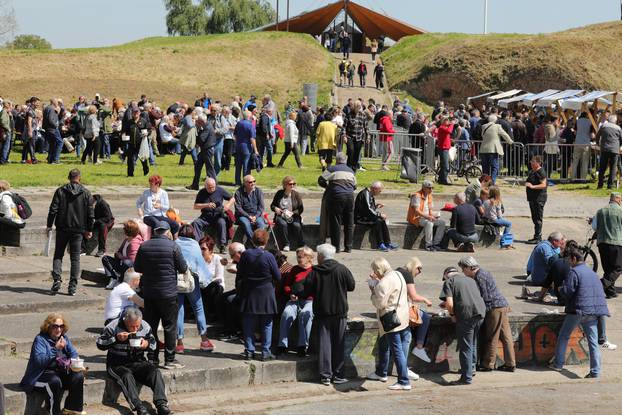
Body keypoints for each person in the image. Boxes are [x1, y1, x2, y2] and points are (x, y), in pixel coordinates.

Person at [97, 307, 172, 415]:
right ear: (125, 320)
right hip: (116, 364)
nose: (135, 329)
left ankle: (161, 404)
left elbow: (154, 344)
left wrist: (146, 344)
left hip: (138, 362)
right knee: (126, 375)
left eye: (137, 326)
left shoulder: (145, 326)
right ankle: (138, 406)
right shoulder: (113, 326)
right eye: (132, 326)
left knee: (155, 372)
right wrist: (115, 338)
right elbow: (100, 344)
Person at [133, 221, 188, 369]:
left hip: (150, 293)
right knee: (169, 326)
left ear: (155, 231)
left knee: (150, 326)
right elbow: (183, 268)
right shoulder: (173, 246)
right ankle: (169, 359)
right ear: (167, 231)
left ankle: (152, 357)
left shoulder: (144, 246)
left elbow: (137, 267)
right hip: (169, 293)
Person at [550, 247, 609, 378]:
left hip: (579, 310)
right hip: (594, 311)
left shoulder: (574, 272)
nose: (568, 263)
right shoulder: (593, 273)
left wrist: (560, 289)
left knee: (564, 335)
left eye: (569, 260)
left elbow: (568, 291)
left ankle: (558, 364)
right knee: (593, 342)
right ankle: (595, 371)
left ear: (574, 259)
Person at [304, 244, 356, 386]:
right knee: (339, 344)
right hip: (339, 313)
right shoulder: (342, 269)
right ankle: (338, 374)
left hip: (322, 313)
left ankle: (325, 375)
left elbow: (306, 289)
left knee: (324, 344)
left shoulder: (314, 271)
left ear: (321, 256)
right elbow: (351, 286)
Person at [20, 313, 85, 415]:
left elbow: (73, 353)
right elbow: (39, 361)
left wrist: (76, 362)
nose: (58, 329)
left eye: (61, 326)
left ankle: (72, 409)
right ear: (48, 327)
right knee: (54, 382)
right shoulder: (40, 339)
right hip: (39, 376)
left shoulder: (64, 338)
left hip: (58, 373)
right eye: (55, 326)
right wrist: (56, 349)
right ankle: (53, 412)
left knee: (78, 375)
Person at [459, 257, 515, 372]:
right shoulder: (483, 273)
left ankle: (488, 364)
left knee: (492, 336)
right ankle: (510, 363)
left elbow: (485, 297)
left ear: (469, 267)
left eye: (463, 269)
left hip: (494, 308)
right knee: (506, 337)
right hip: (501, 305)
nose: (463, 273)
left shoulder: (480, 276)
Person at [366, 258, 411, 391]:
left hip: (390, 320)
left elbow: (380, 304)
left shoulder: (383, 283)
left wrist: (373, 290)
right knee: (385, 343)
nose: (374, 273)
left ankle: (403, 381)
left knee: (397, 351)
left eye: (375, 270)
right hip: (402, 316)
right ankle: (381, 372)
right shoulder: (398, 274)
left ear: (379, 269)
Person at [47, 169, 94, 296]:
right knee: (75, 258)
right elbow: (90, 214)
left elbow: (53, 209)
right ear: (79, 178)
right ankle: (72, 286)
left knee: (58, 254)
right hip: (78, 229)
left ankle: (57, 279)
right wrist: (89, 229)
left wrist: (49, 225)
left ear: (69, 177)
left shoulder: (60, 191)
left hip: (62, 227)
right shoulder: (86, 193)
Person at [236, 229, 281, 360]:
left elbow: (240, 273)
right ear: (266, 241)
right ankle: (265, 351)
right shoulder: (269, 256)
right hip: (266, 293)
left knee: (248, 322)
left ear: (253, 240)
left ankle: (249, 350)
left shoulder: (246, 255)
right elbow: (278, 276)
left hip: (249, 292)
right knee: (267, 323)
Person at [439, 267, 486, 385]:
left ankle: (466, 378)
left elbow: (449, 303)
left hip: (467, 316)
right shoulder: (470, 280)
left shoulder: (449, 282)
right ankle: (471, 368)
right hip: (480, 313)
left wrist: (452, 314)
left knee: (465, 347)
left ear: (446, 275)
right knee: (472, 343)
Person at [175, 224, 215, 353]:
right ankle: (204, 340)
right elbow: (200, 265)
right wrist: (206, 280)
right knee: (198, 308)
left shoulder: (175, 244)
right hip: (192, 282)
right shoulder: (195, 246)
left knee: (179, 311)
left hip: (176, 282)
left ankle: (179, 343)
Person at [277, 246, 314, 357]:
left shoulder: (314, 271)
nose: (298, 259)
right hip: (294, 300)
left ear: (309, 258)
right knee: (287, 313)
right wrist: (290, 294)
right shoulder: (295, 269)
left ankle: (303, 346)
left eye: (301, 257)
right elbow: (287, 285)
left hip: (309, 300)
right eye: (297, 256)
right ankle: (282, 345)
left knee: (305, 315)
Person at [396, 258, 432, 367]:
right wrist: (426, 300)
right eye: (419, 269)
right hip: (400, 309)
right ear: (414, 266)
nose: (420, 272)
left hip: (393, 307)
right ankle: (419, 347)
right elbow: (414, 296)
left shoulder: (397, 271)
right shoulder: (407, 275)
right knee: (425, 317)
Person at [319, 152, 356, 253]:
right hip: (350, 197)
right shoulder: (351, 171)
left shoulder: (331, 169)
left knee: (336, 222)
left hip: (336, 197)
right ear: (345, 160)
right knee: (349, 222)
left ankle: (336, 247)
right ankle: (348, 247)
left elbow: (320, 180)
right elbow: (354, 186)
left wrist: (328, 187)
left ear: (336, 160)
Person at [591, 192, 622, 298]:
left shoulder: (600, 211)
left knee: (608, 268)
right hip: (616, 243)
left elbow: (594, 226)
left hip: (602, 243)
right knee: (617, 268)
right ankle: (600, 285)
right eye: (621, 200)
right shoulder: (621, 211)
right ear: (618, 200)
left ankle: (610, 292)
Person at [191, 178, 234, 253]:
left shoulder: (220, 190)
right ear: (205, 186)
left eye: (213, 187)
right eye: (209, 187)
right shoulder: (202, 192)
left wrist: (227, 205)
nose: (212, 189)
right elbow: (195, 206)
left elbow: (232, 198)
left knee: (222, 222)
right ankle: (198, 244)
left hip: (218, 216)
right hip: (205, 217)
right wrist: (206, 205)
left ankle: (222, 245)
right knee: (196, 223)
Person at [354, 181, 398, 251]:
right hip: (360, 218)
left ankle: (387, 243)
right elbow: (368, 209)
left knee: (382, 220)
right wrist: (379, 214)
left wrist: (376, 206)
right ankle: (380, 244)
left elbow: (370, 209)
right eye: (379, 191)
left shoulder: (370, 194)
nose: (380, 193)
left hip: (366, 217)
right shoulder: (365, 193)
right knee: (378, 221)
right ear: (374, 189)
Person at [102, 220, 144, 290]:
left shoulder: (134, 242)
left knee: (126, 262)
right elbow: (119, 251)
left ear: (128, 231)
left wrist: (120, 257)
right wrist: (118, 255)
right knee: (105, 258)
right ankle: (114, 278)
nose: (123, 230)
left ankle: (121, 280)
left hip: (130, 268)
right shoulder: (127, 239)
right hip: (122, 264)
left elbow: (132, 260)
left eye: (124, 228)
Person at [407, 180, 446, 251]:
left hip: (427, 216)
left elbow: (430, 209)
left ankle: (436, 243)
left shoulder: (430, 196)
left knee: (442, 223)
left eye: (432, 188)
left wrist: (434, 216)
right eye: (429, 188)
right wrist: (428, 217)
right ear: (424, 188)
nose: (431, 190)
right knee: (429, 223)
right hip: (417, 218)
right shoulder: (417, 196)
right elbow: (417, 211)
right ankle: (429, 245)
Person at [270, 176, 305, 252]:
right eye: (290, 184)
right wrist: (276, 209)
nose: (292, 185)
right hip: (281, 216)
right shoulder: (279, 194)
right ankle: (286, 244)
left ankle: (301, 244)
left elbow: (301, 209)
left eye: (293, 184)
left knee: (297, 225)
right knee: (283, 224)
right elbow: (272, 205)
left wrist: (292, 213)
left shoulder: (296, 194)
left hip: (293, 216)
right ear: (285, 185)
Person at [199, 235, 226, 322]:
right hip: (202, 286)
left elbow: (219, 277)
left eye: (203, 249)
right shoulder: (198, 259)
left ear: (210, 250)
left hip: (214, 285)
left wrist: (207, 282)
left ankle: (213, 314)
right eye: (200, 248)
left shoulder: (218, 259)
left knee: (215, 287)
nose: (201, 251)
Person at [479, 114, 513, 184]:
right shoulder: (497, 126)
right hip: (493, 149)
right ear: (496, 120)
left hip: (483, 149)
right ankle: (492, 182)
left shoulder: (483, 126)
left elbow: (482, 136)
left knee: (485, 168)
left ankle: (485, 182)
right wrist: (510, 142)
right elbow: (505, 135)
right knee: (495, 167)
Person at [234, 175, 267, 244]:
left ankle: (260, 242)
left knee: (262, 224)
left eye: (254, 181)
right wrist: (248, 216)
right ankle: (254, 242)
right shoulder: (238, 192)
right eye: (250, 182)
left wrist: (256, 216)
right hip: (243, 215)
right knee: (246, 224)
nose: (253, 183)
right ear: (245, 183)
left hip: (256, 215)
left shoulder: (258, 191)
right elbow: (238, 208)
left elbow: (261, 207)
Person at [525, 155, 548, 244]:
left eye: (533, 161)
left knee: (538, 218)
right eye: (531, 161)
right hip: (532, 198)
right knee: (534, 218)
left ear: (538, 163)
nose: (531, 163)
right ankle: (536, 236)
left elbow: (543, 185)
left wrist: (532, 186)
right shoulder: (533, 171)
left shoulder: (541, 172)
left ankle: (538, 237)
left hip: (539, 199)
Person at [596, 115, 622, 189]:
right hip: (615, 150)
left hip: (604, 149)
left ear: (609, 120)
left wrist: (598, 143)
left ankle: (600, 184)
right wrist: (619, 146)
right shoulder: (618, 128)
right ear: (615, 121)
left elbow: (597, 135)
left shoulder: (604, 126)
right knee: (613, 168)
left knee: (602, 167)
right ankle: (610, 185)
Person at [343, 100, 369, 172]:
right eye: (357, 107)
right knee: (351, 151)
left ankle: (354, 169)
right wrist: (344, 136)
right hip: (350, 137)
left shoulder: (363, 115)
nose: (359, 109)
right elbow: (344, 127)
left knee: (357, 154)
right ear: (354, 107)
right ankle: (348, 167)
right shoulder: (349, 115)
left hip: (359, 138)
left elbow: (366, 127)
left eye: (360, 107)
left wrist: (368, 137)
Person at [125, 107, 150, 177]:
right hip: (131, 144)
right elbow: (125, 131)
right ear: (132, 113)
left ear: (139, 113)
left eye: (137, 112)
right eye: (134, 112)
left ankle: (146, 171)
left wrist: (147, 133)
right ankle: (130, 174)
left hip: (141, 144)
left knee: (143, 159)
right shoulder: (129, 122)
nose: (135, 114)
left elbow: (149, 129)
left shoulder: (144, 121)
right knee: (130, 160)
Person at [571, 112, 594, 180]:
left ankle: (573, 177)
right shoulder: (590, 122)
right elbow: (592, 135)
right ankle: (583, 178)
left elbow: (575, 132)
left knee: (575, 161)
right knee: (585, 162)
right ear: (587, 115)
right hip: (586, 144)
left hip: (577, 142)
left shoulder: (578, 121)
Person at [436, 117, 454, 184]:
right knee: (445, 165)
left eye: (449, 120)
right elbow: (449, 131)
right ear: (443, 121)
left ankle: (440, 179)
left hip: (445, 148)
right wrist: (452, 124)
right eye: (447, 120)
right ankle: (444, 180)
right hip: (443, 149)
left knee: (443, 165)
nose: (448, 121)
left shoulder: (444, 128)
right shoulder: (442, 127)